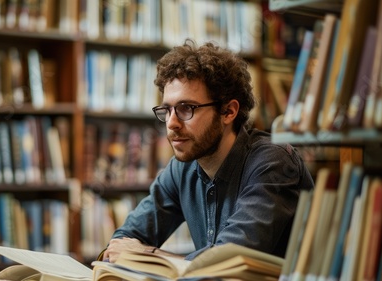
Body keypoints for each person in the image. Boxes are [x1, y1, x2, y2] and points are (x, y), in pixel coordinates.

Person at [100, 39, 314, 263]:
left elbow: (229, 259)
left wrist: (147, 254)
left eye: (186, 108)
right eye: (167, 110)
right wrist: (123, 252)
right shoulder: (181, 168)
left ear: (228, 112)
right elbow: (124, 240)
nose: (171, 123)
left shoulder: (273, 162)